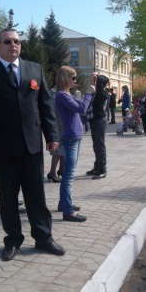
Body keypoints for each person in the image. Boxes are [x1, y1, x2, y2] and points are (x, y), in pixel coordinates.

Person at [0, 28, 65, 261]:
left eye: (17, 41)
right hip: (2, 147)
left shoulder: (34, 69)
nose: (13, 45)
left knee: (36, 195)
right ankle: (13, 239)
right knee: (8, 197)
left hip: (32, 145)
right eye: (8, 41)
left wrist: (52, 135)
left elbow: (45, 105)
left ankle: (44, 238)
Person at [54, 66, 95, 221]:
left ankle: (63, 204)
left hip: (74, 137)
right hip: (71, 138)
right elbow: (82, 108)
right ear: (65, 78)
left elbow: (85, 105)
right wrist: (88, 93)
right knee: (69, 176)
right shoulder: (61, 95)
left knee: (68, 174)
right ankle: (68, 211)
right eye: (73, 78)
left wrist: (92, 88)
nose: (75, 80)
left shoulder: (67, 94)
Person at [85, 72, 110, 179]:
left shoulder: (102, 93)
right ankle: (97, 166)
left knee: (99, 145)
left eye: (96, 80)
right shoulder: (97, 91)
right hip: (94, 120)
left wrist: (98, 78)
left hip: (99, 120)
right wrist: (94, 80)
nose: (93, 79)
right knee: (96, 145)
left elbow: (97, 89)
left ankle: (102, 169)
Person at [47, 80, 64, 183]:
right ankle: (52, 172)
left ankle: (61, 170)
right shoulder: (53, 93)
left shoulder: (62, 92)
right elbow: (54, 109)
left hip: (63, 125)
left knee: (64, 150)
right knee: (57, 150)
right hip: (56, 125)